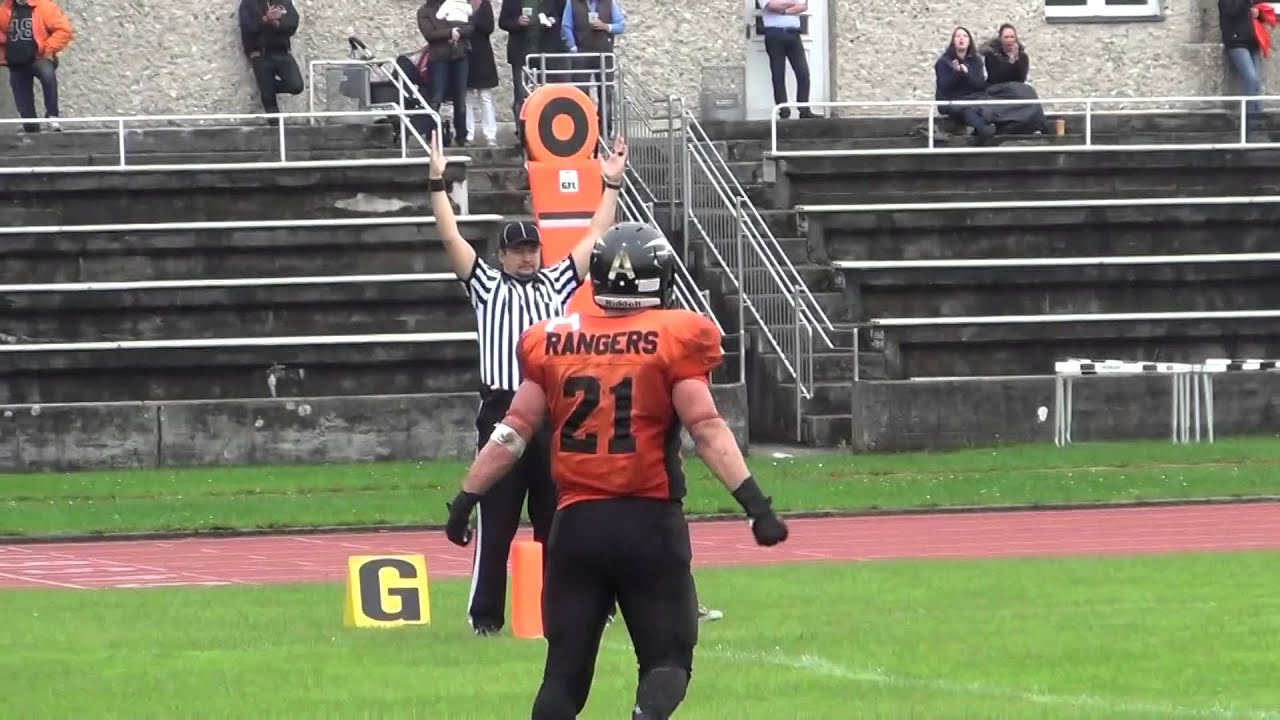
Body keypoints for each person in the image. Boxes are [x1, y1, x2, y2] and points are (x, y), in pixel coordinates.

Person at [442, 222, 790, 719]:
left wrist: (466, 498)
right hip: (648, 523)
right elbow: (707, 429)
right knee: (667, 661)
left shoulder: (552, 340)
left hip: (576, 528)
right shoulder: (675, 336)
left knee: (562, 677)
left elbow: (512, 431)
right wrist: (755, 505)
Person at [426, 128, 625, 635]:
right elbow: (451, 240)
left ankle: (562, 612)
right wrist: (436, 186)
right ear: (502, 255)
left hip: (553, 413)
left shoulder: (557, 282)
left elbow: (595, 236)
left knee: (558, 522)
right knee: (495, 522)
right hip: (502, 410)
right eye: (517, 251)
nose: (527, 257)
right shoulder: (486, 285)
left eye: (532, 248)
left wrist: (611, 185)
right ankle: (485, 618)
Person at [0, 0, 72, 133]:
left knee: (48, 76)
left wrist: (47, 49)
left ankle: (52, 116)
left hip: (38, 57)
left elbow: (64, 30)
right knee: (22, 100)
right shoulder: (6, 8)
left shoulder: (44, 6)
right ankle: (30, 127)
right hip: (17, 61)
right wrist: (5, 49)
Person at [238, 0, 304, 124]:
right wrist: (265, 19)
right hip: (260, 54)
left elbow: (292, 25)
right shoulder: (248, 3)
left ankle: (268, 87)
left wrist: (276, 23)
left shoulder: (284, 2)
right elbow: (248, 27)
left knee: (296, 86)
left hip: (282, 52)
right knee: (269, 101)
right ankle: (274, 127)